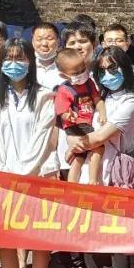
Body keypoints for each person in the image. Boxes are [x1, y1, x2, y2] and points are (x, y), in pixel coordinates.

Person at [0, 39, 57, 268]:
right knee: (7, 243)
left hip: (36, 178)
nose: (14, 64)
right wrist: (2, 172)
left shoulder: (45, 96)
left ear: (30, 61)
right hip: (3, 180)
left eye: (20, 58)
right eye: (8, 58)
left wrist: (22, 174)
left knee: (38, 241)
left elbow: (42, 139)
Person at [67, 46, 134, 268]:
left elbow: (100, 136)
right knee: (86, 234)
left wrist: (75, 143)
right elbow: (73, 126)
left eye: (114, 68)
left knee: (116, 238)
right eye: (103, 70)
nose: (109, 74)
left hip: (115, 176)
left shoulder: (131, 100)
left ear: (124, 68)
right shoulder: (95, 97)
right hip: (87, 172)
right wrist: (72, 139)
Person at [53, 48, 103, 186]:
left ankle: (72, 184)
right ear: (63, 75)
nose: (81, 74)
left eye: (83, 69)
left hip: (85, 123)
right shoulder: (64, 90)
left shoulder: (89, 83)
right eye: (76, 73)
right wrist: (68, 116)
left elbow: (97, 99)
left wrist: (102, 112)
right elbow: (62, 112)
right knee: (98, 148)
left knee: (79, 156)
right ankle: (93, 180)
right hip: (76, 125)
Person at [32, 22, 62, 90]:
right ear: (33, 42)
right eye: (39, 39)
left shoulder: (67, 66)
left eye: (49, 39)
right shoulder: (26, 66)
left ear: (58, 41)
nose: (44, 44)